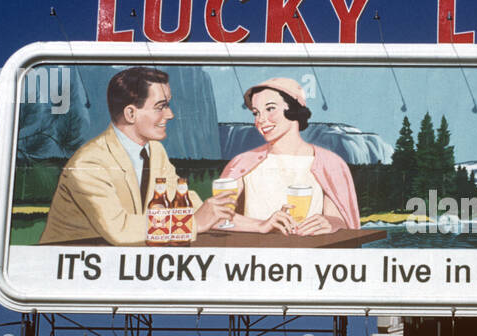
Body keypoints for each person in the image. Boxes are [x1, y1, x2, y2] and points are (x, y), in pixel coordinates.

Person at [40, 66, 235, 245]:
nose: (170, 115)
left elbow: (181, 198)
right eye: (161, 106)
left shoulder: (155, 151)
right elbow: (120, 229)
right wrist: (193, 223)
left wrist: (227, 217)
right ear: (131, 114)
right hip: (72, 267)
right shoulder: (89, 163)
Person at [219, 77, 360, 235]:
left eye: (270, 109)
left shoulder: (330, 163)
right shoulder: (242, 162)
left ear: (293, 109)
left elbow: (340, 220)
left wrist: (330, 223)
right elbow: (217, 216)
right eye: (256, 113)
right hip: (254, 256)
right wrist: (261, 225)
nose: (261, 119)